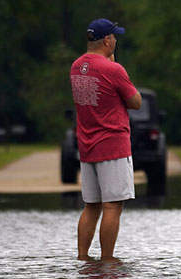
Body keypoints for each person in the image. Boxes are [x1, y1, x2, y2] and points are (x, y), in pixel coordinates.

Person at [70, 19, 141, 261]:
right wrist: (116, 65)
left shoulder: (76, 67)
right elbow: (135, 101)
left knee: (91, 206)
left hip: (87, 145)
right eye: (115, 37)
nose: (117, 41)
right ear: (107, 40)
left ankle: (82, 258)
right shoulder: (114, 70)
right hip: (112, 145)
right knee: (113, 206)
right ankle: (108, 260)